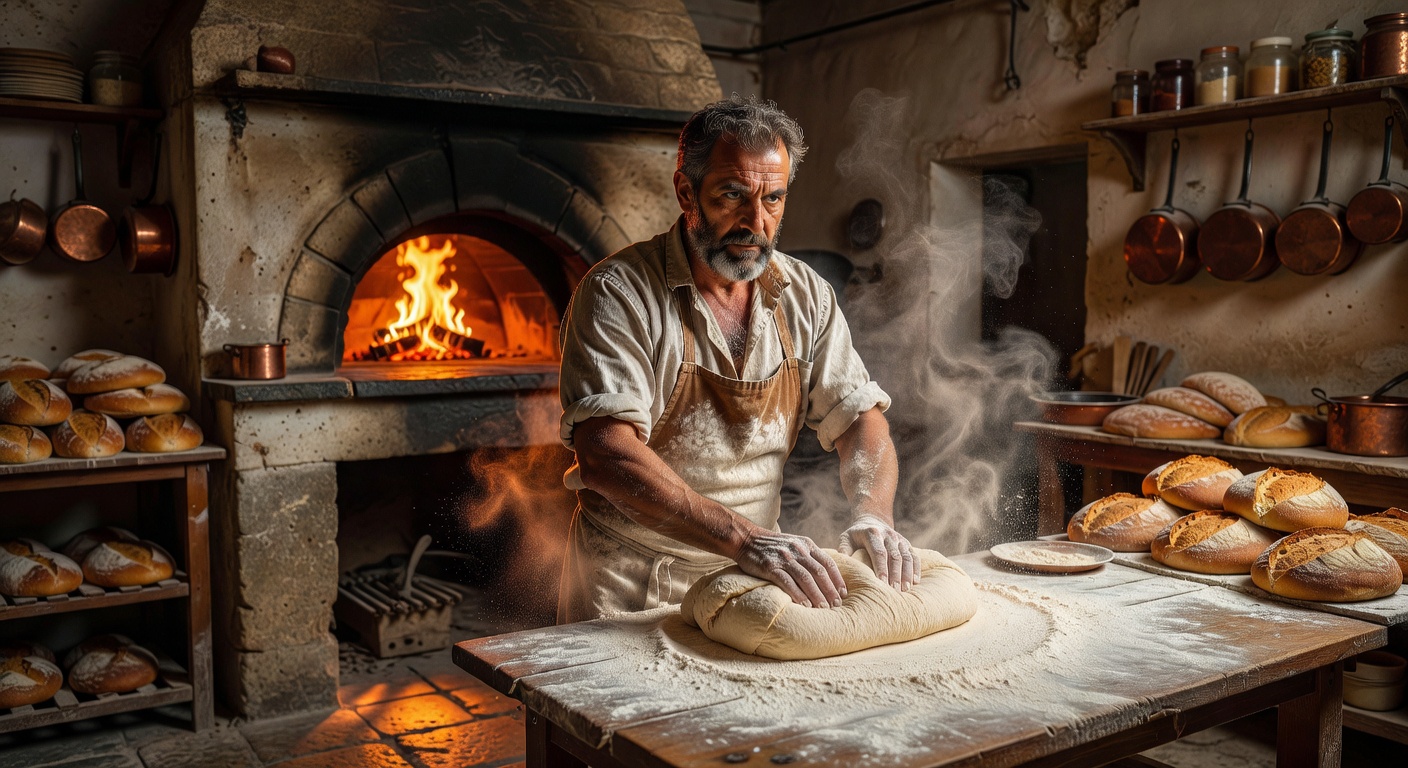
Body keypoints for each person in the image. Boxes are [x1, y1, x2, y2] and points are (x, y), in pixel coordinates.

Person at [555, 95, 917, 624]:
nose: (756, 221)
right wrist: (744, 538)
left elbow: (860, 417)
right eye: (732, 195)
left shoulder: (805, 295)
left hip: (750, 579)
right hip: (633, 584)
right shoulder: (619, 293)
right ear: (686, 192)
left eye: (773, 199)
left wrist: (873, 514)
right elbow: (605, 452)